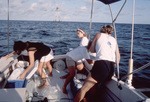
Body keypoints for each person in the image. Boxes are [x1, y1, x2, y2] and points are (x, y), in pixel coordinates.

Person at [74, 25, 120, 102]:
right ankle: (89, 99)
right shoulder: (114, 39)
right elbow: (118, 57)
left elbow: (91, 50)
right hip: (111, 69)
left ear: (102, 30)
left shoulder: (98, 35)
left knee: (84, 89)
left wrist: (97, 49)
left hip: (101, 65)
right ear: (111, 31)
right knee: (94, 83)